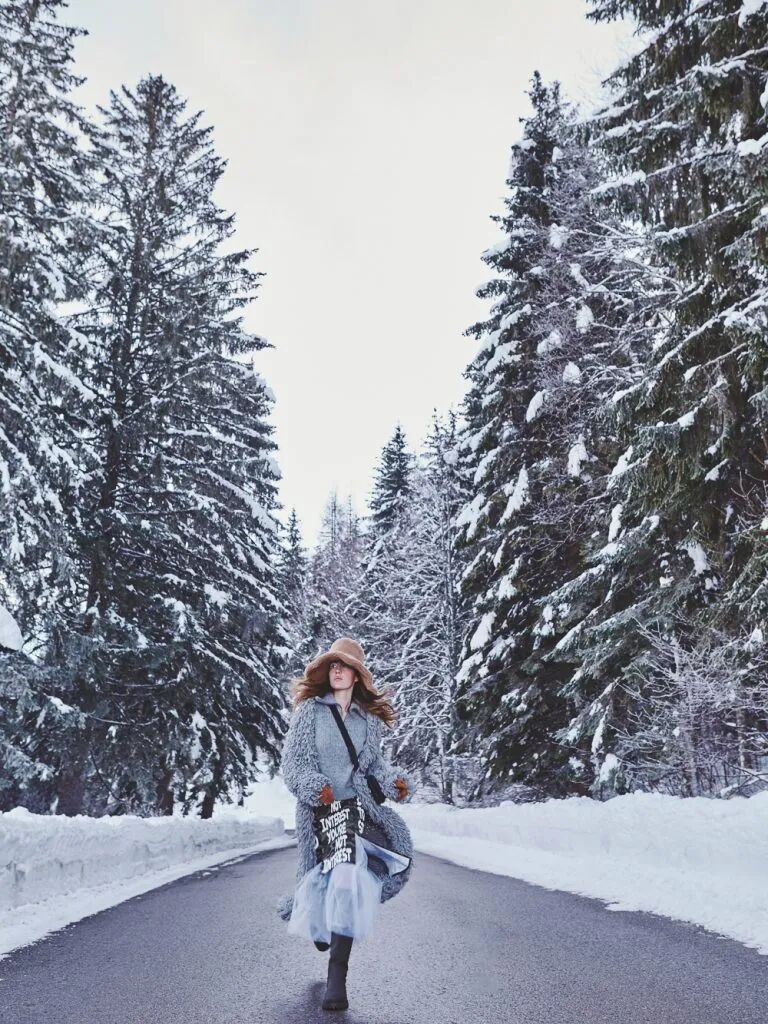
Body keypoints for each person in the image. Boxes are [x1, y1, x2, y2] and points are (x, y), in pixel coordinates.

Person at [277, 637, 416, 1012]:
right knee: (326, 878)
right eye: (332, 665)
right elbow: (293, 765)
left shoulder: (368, 720)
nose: (337, 670)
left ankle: (337, 975)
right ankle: (321, 925)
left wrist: (394, 783)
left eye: (344, 666)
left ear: (357, 675)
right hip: (321, 811)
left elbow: (375, 767)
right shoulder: (310, 711)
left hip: (357, 811)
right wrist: (314, 787)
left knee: (347, 876)